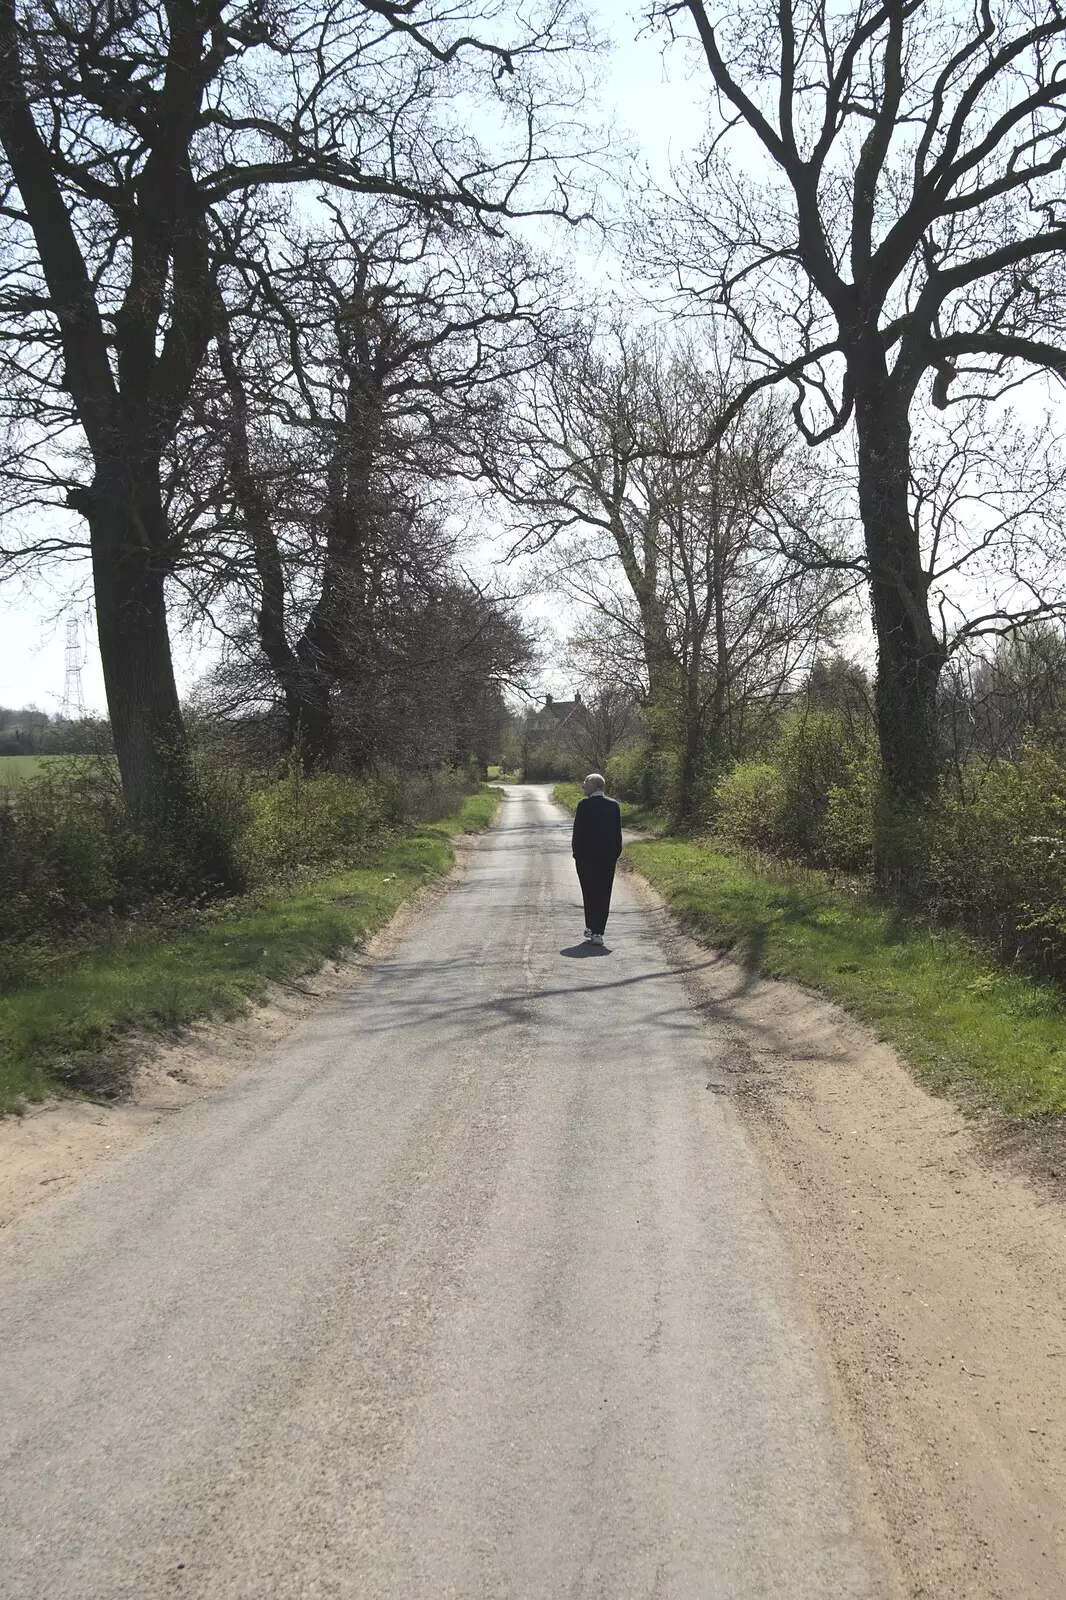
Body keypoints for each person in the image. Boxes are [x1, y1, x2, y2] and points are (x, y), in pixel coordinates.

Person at [571, 772, 623, 945]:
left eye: (585, 783)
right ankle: (596, 929)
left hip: (586, 858)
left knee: (589, 891)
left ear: (594, 786)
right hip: (607, 858)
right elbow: (618, 833)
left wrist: (576, 854)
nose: (583, 786)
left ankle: (593, 927)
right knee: (604, 892)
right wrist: (615, 853)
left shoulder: (584, 806)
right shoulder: (614, 805)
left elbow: (577, 833)